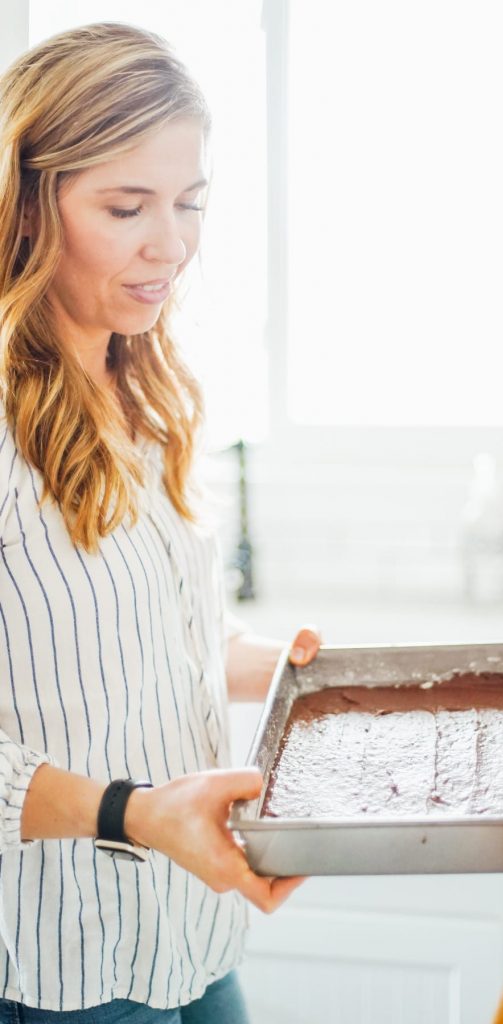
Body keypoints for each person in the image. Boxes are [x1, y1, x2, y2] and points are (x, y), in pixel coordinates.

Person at [0, 20, 320, 1021]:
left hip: (192, 926)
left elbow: (136, 633)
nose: (171, 245)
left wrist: (281, 668)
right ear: (27, 202)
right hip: (61, 966)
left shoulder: (141, 386)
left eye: (188, 204)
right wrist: (130, 814)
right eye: (126, 206)